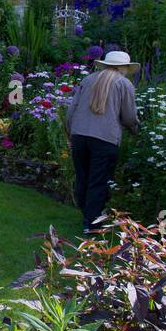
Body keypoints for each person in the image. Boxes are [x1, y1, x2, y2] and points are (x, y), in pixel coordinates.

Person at [65, 50, 140, 233]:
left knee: (82, 177)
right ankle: (91, 225)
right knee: (98, 181)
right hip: (105, 138)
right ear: (124, 67)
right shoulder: (124, 84)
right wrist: (136, 130)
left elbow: (71, 110)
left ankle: (87, 214)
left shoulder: (88, 80)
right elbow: (129, 117)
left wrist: (70, 133)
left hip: (79, 135)